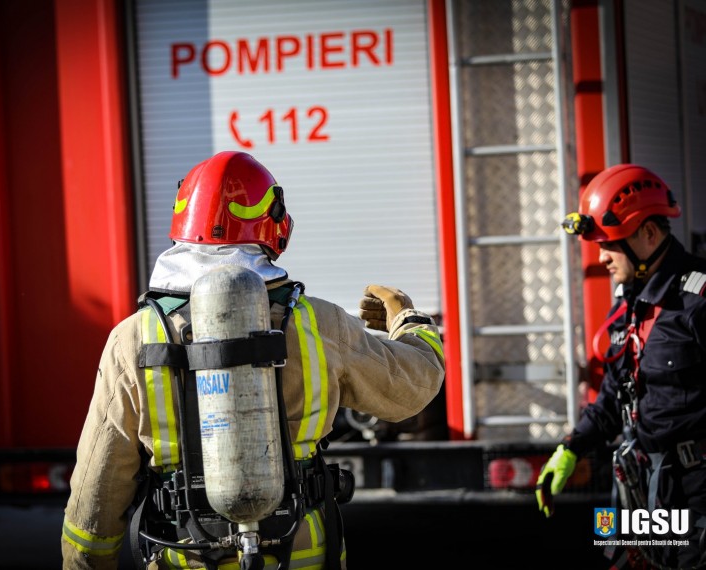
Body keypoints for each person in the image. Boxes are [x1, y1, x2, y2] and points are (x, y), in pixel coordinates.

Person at [61, 150, 445, 570]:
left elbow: (99, 484)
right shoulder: (318, 322)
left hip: (186, 556)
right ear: (272, 223)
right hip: (298, 556)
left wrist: (85, 561)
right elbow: (411, 387)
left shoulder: (134, 338)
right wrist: (409, 319)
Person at [536, 164, 706, 569]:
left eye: (608, 245)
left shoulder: (698, 300)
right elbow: (615, 394)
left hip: (697, 493)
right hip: (644, 487)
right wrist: (571, 448)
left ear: (648, 234)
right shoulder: (628, 302)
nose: (601, 257)